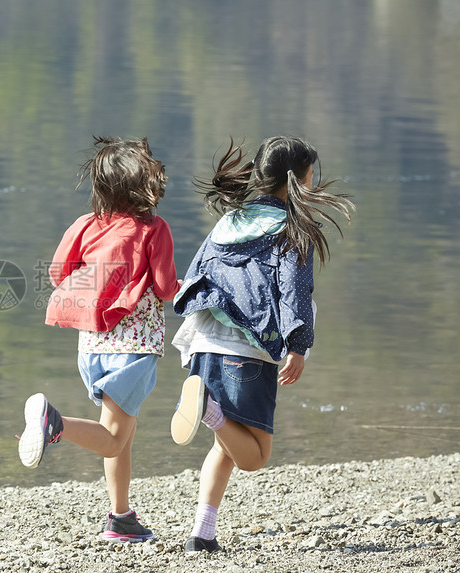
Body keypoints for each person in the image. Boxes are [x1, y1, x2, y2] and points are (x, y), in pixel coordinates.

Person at [170, 136, 354, 553]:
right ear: (295, 182)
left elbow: (198, 272)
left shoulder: (230, 221)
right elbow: (294, 292)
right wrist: (298, 344)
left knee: (226, 445)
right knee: (254, 456)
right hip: (247, 351)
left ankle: (203, 534)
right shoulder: (293, 227)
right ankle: (210, 411)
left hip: (203, 343)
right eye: (311, 176)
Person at [18, 136, 179, 543]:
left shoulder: (86, 225)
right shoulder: (153, 229)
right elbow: (164, 288)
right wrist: (196, 287)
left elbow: (58, 273)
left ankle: (120, 516)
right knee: (111, 440)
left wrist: (99, 277)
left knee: (123, 435)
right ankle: (54, 423)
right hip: (134, 350)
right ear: (143, 187)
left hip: (92, 348)